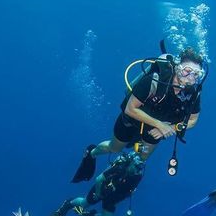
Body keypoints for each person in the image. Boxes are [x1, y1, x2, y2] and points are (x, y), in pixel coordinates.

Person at [71, 47, 205, 182]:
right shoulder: (155, 80)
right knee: (115, 148)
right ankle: (91, 153)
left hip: (155, 130)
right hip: (131, 121)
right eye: (187, 71)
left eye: (196, 74)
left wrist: (171, 128)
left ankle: (122, 166)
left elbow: (193, 120)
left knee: (142, 158)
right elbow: (130, 109)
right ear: (178, 67)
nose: (190, 78)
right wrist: (161, 125)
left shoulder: (193, 93)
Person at [42, 150, 145, 216]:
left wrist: (117, 199)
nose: (137, 170)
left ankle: (90, 214)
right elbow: (99, 179)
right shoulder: (120, 168)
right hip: (102, 188)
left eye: (139, 168)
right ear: (131, 163)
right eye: (135, 167)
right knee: (85, 203)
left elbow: (129, 191)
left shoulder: (138, 176)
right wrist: (98, 193)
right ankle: (68, 204)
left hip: (113, 197)